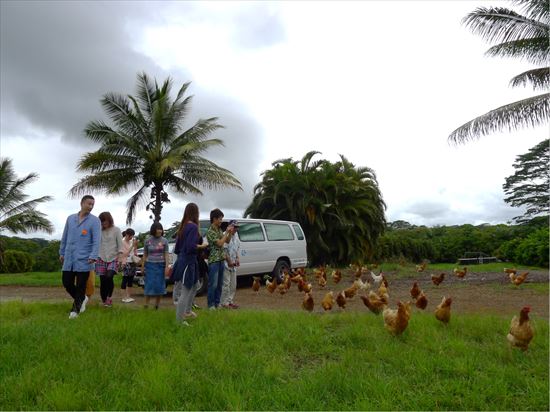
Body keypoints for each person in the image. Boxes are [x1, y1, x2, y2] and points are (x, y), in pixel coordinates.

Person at [59, 195, 101, 319]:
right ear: (82, 203)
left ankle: (75, 311)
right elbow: (64, 236)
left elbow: (96, 240)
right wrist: (62, 252)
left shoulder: (94, 221)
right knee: (66, 282)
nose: (91, 206)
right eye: (89, 203)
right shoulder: (70, 218)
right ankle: (83, 298)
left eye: (93, 204)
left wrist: (93, 255)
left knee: (81, 285)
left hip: (85, 259)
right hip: (69, 257)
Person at [172, 203, 208, 323]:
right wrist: (203, 245)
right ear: (196, 213)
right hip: (188, 261)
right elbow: (190, 247)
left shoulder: (182, 227)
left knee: (194, 285)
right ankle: (179, 320)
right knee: (186, 290)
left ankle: (187, 311)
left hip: (185, 260)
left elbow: (177, 249)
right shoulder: (192, 227)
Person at [206, 208, 233, 309]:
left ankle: (217, 304)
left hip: (221, 259)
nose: (221, 221)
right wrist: (226, 233)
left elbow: (228, 241)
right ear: (214, 219)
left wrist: (229, 232)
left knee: (219, 284)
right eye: (220, 219)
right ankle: (211, 305)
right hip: (214, 261)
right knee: (213, 284)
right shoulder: (210, 231)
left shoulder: (219, 230)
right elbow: (220, 243)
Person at [96, 212, 123, 307]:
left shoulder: (116, 230)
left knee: (109, 276)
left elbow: (120, 245)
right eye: (102, 221)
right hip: (101, 257)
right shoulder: (99, 231)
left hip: (113, 258)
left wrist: (120, 258)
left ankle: (109, 297)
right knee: (103, 280)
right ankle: (104, 300)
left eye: (105, 221)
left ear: (109, 220)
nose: (104, 223)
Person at [141, 222, 170, 309]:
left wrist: (167, 266)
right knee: (149, 285)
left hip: (161, 265)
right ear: (153, 230)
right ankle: (146, 304)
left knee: (159, 286)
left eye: (160, 230)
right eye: (158, 230)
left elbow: (166, 254)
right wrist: (143, 266)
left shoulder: (165, 241)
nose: (159, 231)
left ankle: (157, 305)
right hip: (150, 265)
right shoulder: (147, 241)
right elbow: (145, 254)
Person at [221, 220, 240, 309]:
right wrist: (229, 262)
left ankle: (230, 301)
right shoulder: (225, 234)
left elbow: (237, 248)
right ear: (229, 226)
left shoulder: (236, 236)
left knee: (233, 284)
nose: (235, 229)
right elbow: (224, 250)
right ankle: (224, 303)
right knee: (226, 284)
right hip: (226, 263)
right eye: (234, 227)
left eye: (237, 227)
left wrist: (237, 258)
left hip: (233, 264)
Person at [120, 228, 139, 303]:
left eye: (132, 236)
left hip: (132, 262)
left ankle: (128, 296)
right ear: (127, 235)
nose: (131, 237)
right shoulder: (122, 242)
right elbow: (125, 254)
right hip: (126, 262)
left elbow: (134, 252)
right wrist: (132, 246)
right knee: (125, 280)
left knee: (131, 280)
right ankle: (123, 297)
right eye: (131, 236)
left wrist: (135, 246)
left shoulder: (132, 242)